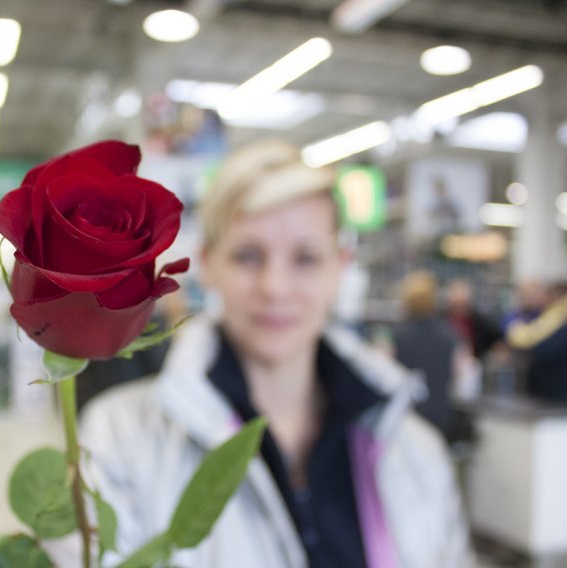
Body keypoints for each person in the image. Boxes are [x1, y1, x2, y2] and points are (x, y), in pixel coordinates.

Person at [80, 140, 473, 567]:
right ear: (209, 265)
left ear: (339, 266)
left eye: (305, 258)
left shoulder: (416, 451)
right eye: (248, 256)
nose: (275, 287)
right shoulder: (119, 438)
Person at [392, 271, 467, 438]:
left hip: (409, 417)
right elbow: (459, 373)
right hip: (440, 416)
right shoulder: (449, 334)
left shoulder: (400, 336)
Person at [507, 281, 567, 402]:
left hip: (555, 394)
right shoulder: (536, 317)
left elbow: (541, 350)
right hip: (544, 391)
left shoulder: (556, 320)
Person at [444, 278, 502, 360]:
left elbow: (495, 340)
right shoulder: (442, 321)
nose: (460, 307)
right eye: (457, 304)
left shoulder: (479, 322)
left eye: (462, 303)